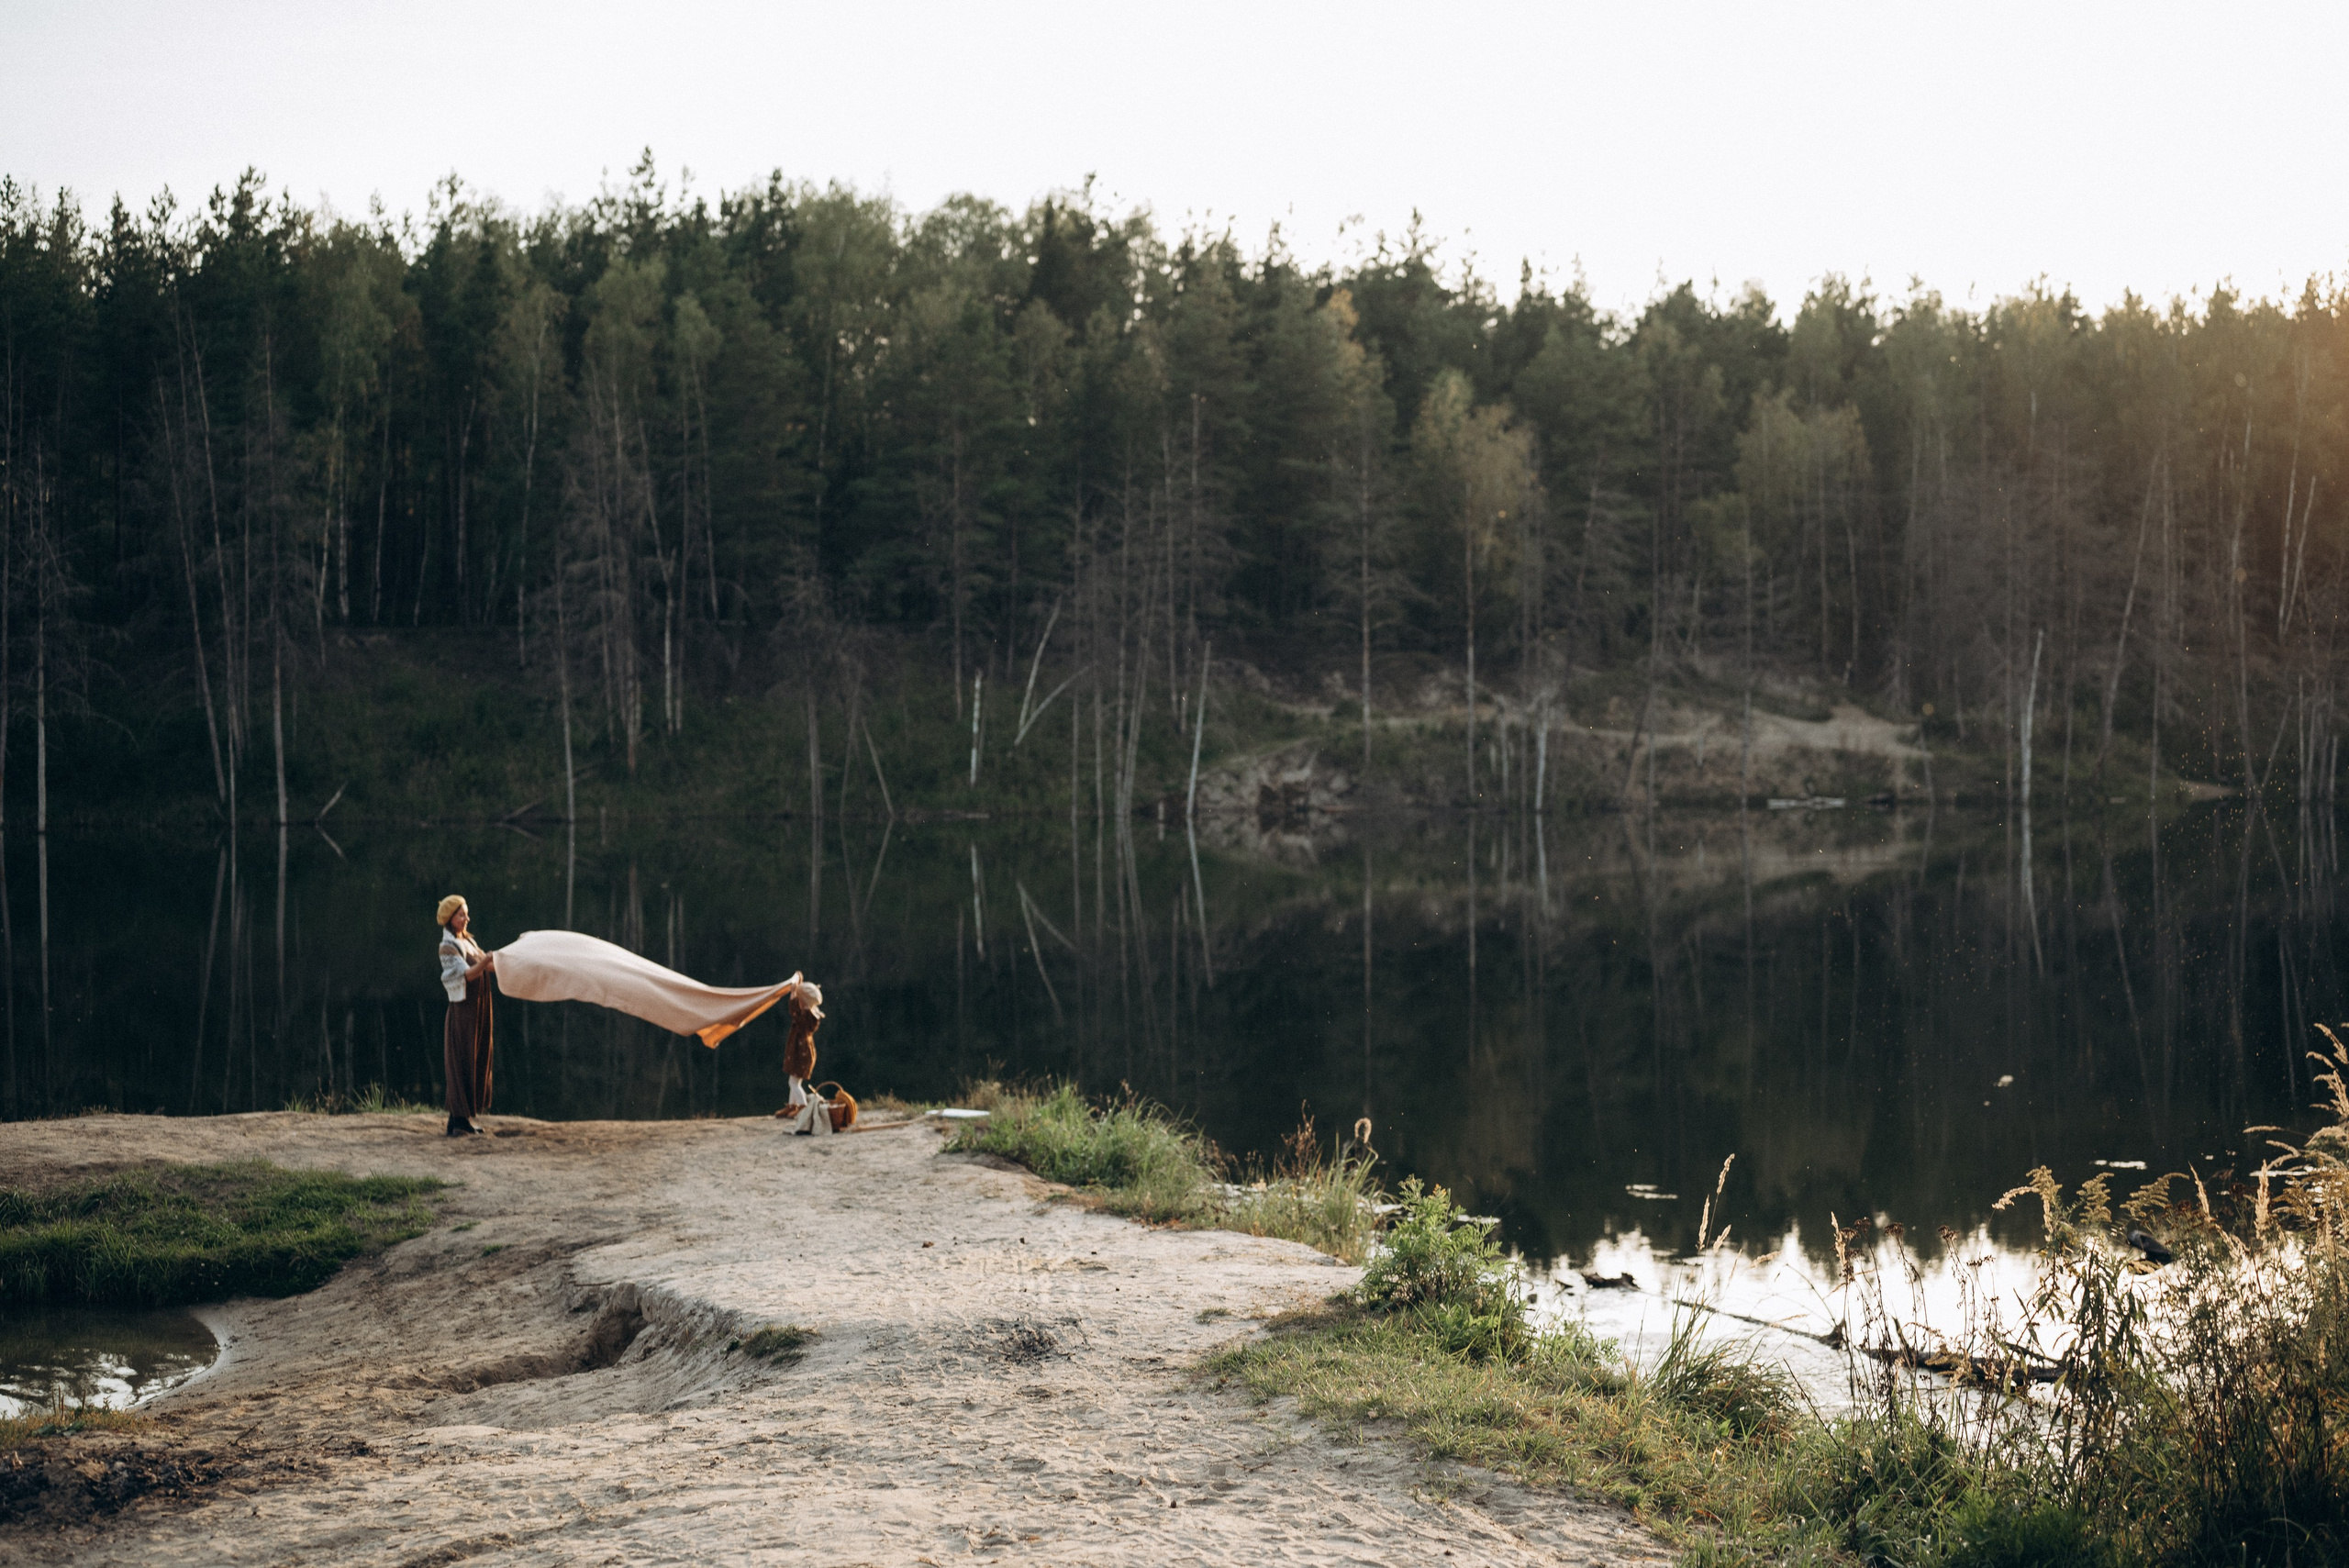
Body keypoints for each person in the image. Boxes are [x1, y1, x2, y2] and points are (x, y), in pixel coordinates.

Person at [436, 895, 495, 1137]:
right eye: (462, 915)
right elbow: (467, 975)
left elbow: (487, 965)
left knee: (474, 1057)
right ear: (450, 918)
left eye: (466, 914)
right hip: (463, 1012)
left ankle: (459, 1119)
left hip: (477, 1009)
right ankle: (459, 1121)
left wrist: (505, 961)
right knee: (462, 1060)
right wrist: (487, 960)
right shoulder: (448, 946)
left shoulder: (468, 941)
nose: (467, 918)